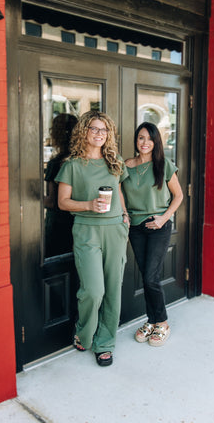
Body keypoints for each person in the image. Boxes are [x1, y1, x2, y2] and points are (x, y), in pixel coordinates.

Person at [56, 110, 129, 366]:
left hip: (115, 230)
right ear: (84, 132)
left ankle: (105, 343)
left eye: (104, 130)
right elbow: (62, 202)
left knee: (112, 290)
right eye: (94, 129)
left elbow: (119, 193)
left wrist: (126, 216)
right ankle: (84, 332)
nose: (100, 134)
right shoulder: (72, 165)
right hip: (87, 230)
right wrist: (88, 205)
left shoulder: (114, 161)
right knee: (94, 290)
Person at [122, 122, 183, 346]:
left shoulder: (163, 165)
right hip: (136, 227)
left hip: (158, 226)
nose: (145, 142)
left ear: (156, 141)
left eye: (149, 138)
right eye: (140, 138)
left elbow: (178, 196)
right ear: (136, 140)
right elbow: (119, 193)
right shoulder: (126, 165)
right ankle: (152, 320)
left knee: (150, 277)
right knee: (147, 277)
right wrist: (125, 214)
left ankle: (162, 323)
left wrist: (163, 218)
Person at [44, 113, 78, 257]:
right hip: (78, 225)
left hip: (59, 227)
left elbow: (52, 202)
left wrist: (32, 196)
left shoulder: (57, 163)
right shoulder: (82, 160)